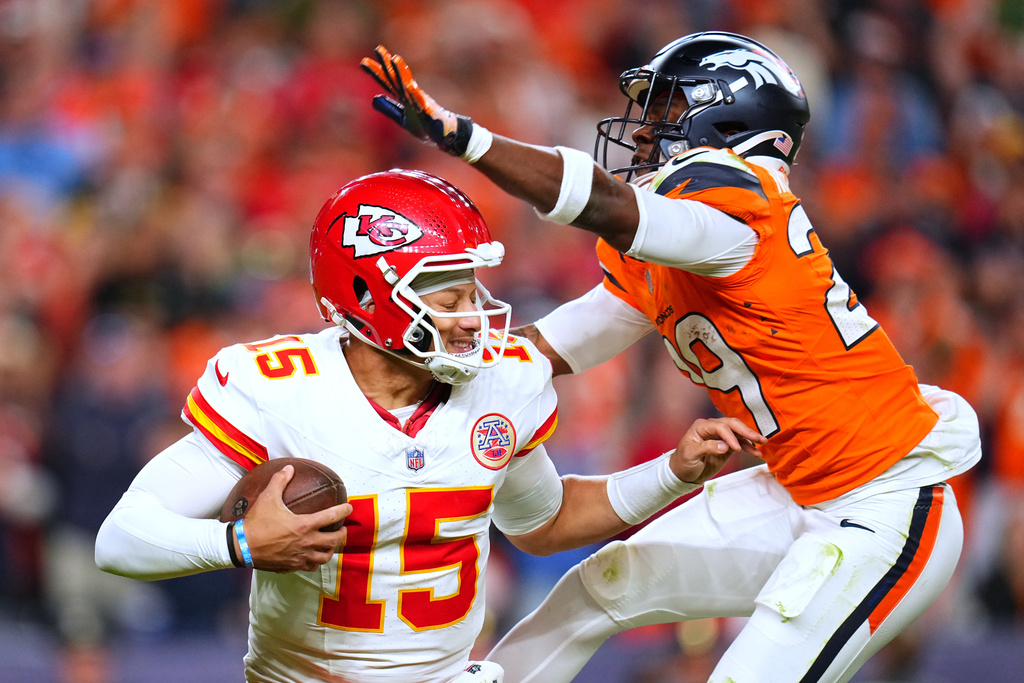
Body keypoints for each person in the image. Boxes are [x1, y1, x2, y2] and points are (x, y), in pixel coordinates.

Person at [361, 31, 982, 682]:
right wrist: (413, 374)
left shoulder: (739, 205)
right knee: (596, 588)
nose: (640, 134)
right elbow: (544, 350)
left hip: (884, 503)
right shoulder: (675, 247)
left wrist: (465, 138)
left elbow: (606, 205)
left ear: (729, 116)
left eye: (662, 112)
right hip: (798, 488)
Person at [94, 168, 762, 683]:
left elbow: (544, 523)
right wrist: (240, 542)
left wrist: (671, 475)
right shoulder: (277, 388)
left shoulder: (505, 380)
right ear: (364, 298)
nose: (473, 315)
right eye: (448, 298)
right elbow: (122, 539)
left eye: (473, 292)